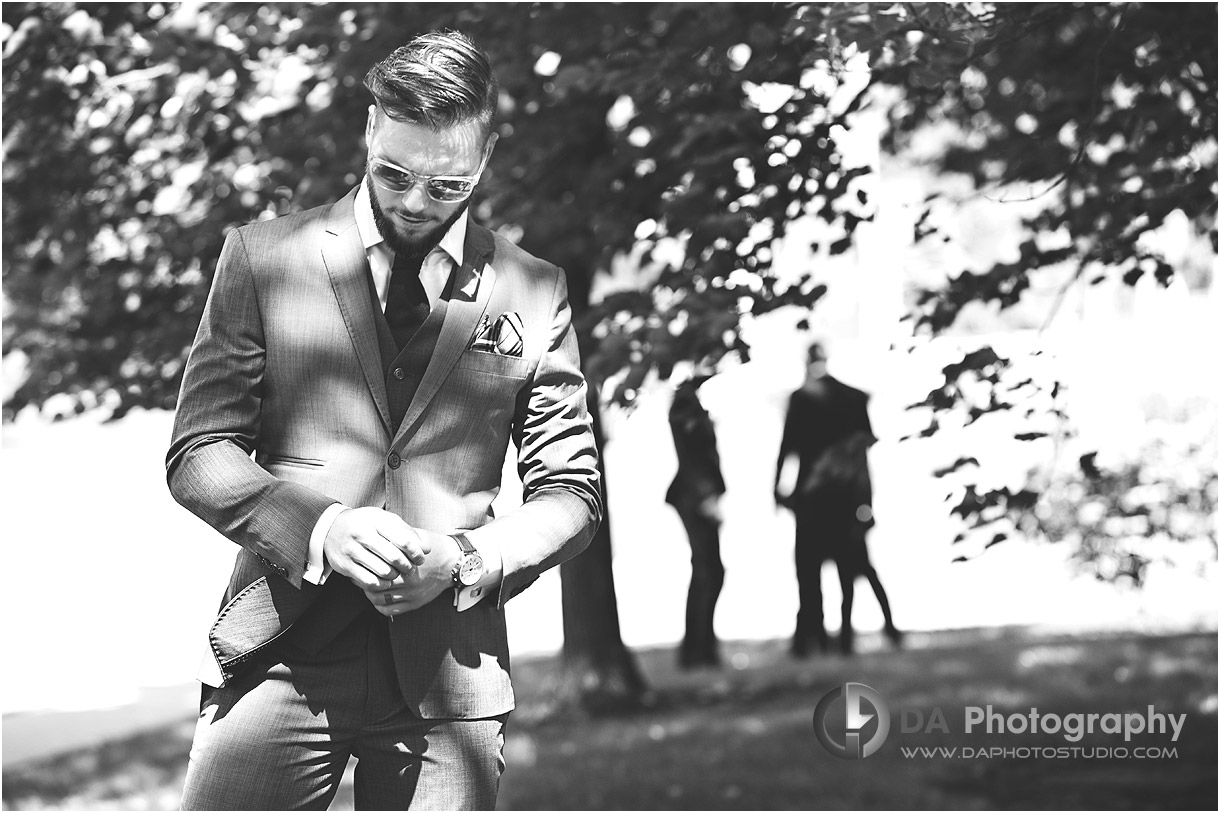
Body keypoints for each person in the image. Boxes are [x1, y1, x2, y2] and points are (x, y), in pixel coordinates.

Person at [166, 30, 602, 810]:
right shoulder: (262, 259)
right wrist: (324, 527)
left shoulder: (534, 291)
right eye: (394, 172)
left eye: (447, 185)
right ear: (370, 129)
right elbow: (200, 451)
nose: (413, 201)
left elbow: (571, 492)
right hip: (280, 654)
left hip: (449, 686)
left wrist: (465, 560)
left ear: (489, 154)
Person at [774, 343, 901, 657]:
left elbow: (787, 448)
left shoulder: (802, 398)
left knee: (810, 571)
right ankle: (844, 639)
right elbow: (862, 452)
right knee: (852, 569)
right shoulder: (853, 398)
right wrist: (865, 499)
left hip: (814, 497)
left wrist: (776, 490)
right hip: (846, 495)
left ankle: (814, 640)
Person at [665, 370, 726, 668]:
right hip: (694, 497)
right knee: (708, 571)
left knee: (709, 571)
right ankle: (697, 652)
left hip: (697, 495)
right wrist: (706, 497)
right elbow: (692, 457)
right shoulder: (684, 405)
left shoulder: (690, 403)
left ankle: (700, 650)